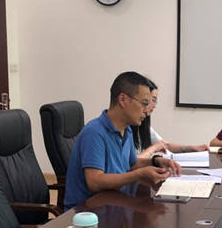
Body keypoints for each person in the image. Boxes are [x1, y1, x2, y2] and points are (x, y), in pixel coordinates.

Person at [64, 71, 181, 210]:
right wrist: (138, 175)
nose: (146, 110)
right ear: (123, 99)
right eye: (144, 103)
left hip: (114, 203)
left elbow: (132, 164)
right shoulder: (94, 132)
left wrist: (156, 161)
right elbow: (94, 181)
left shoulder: (127, 130)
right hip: (88, 213)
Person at [133, 80, 208, 159]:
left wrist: (192, 148)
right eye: (153, 100)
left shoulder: (143, 126)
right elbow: (133, 162)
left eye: (155, 101)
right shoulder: (128, 128)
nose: (154, 105)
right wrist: (154, 149)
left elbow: (165, 145)